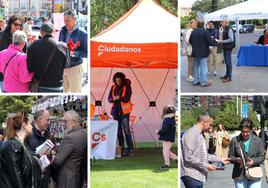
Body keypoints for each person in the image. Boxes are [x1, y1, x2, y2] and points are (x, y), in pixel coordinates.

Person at [181, 114, 229, 187]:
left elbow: (204, 155)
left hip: (198, 176)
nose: (210, 127)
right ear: (204, 123)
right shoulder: (191, 134)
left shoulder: (200, 135)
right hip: (191, 175)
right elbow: (188, 157)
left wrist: (220, 159)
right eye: (209, 125)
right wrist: (206, 165)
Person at [0, 112, 42, 187]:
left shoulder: (23, 145)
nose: (32, 126)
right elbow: (17, 178)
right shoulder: (12, 146)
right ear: (24, 125)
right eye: (30, 124)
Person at [27, 22, 70, 92]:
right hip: (57, 85)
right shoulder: (63, 46)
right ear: (53, 32)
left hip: (40, 85)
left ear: (41, 32)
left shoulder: (32, 46)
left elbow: (30, 68)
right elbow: (67, 65)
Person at [53, 110, 87, 188]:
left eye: (65, 121)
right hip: (77, 176)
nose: (64, 124)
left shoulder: (70, 137)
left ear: (74, 122)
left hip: (66, 179)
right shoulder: (84, 133)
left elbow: (57, 161)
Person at [229, 118, 265, 188]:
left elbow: (262, 157)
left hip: (254, 174)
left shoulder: (258, 140)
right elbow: (230, 156)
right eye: (243, 131)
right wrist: (237, 160)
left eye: (247, 132)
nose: (245, 134)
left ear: (251, 130)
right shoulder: (234, 140)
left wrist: (254, 161)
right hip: (239, 175)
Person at [59, 10, 88, 93]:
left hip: (75, 68)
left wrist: (75, 54)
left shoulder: (82, 34)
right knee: (63, 95)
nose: (66, 23)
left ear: (75, 19)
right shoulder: (62, 31)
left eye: (68, 20)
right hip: (63, 68)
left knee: (76, 94)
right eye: (64, 20)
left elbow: (86, 53)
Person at [108, 72, 134, 156]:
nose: (118, 82)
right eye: (116, 80)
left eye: (119, 80)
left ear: (122, 79)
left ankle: (130, 149)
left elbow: (127, 98)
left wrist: (120, 98)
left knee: (126, 131)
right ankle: (121, 149)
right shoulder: (113, 87)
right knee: (118, 131)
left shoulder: (127, 87)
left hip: (125, 112)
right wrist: (114, 99)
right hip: (115, 112)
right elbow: (109, 99)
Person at [26, 110, 52, 188]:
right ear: (39, 119)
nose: (49, 123)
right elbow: (24, 156)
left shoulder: (48, 134)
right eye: (47, 120)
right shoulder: (28, 134)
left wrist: (51, 154)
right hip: (32, 179)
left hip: (44, 178)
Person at [0, 15, 24, 92]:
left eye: (20, 25)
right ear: (10, 24)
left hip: (15, 74)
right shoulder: (4, 36)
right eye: (15, 24)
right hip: (6, 75)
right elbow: (5, 56)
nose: (18, 27)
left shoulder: (19, 36)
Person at [189, 20, 214, 87]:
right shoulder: (206, 31)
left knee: (196, 67)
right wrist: (212, 39)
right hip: (203, 52)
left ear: (197, 24)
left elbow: (190, 41)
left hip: (195, 52)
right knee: (203, 68)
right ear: (203, 24)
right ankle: (203, 82)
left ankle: (196, 81)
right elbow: (210, 42)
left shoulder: (193, 32)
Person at [156, 105, 177, 169]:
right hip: (169, 138)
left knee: (165, 151)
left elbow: (165, 129)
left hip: (167, 138)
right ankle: (178, 160)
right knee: (167, 151)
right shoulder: (171, 119)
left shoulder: (167, 119)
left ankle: (167, 164)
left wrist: (158, 132)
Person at [218, 19, 235, 83]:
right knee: (227, 62)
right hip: (226, 47)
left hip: (228, 47)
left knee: (228, 62)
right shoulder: (225, 28)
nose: (221, 23)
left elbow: (231, 39)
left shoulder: (229, 29)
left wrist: (222, 41)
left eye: (222, 22)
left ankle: (229, 77)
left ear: (226, 22)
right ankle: (227, 75)